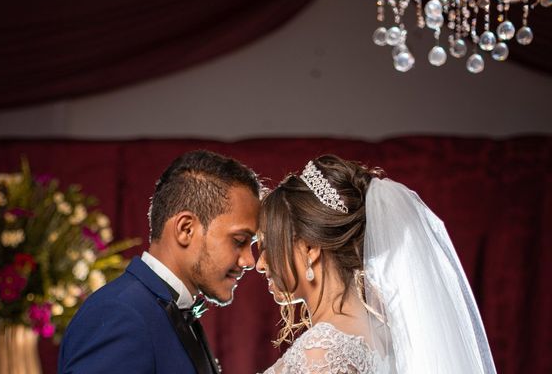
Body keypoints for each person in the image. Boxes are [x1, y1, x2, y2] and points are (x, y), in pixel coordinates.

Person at [255, 154, 497, 374]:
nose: (260, 264)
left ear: (310, 248)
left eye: (268, 245)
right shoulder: (383, 334)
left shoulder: (322, 352)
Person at [59, 150, 261, 374]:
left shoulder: (172, 309)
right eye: (239, 240)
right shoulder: (120, 313)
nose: (249, 260)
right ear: (186, 229)